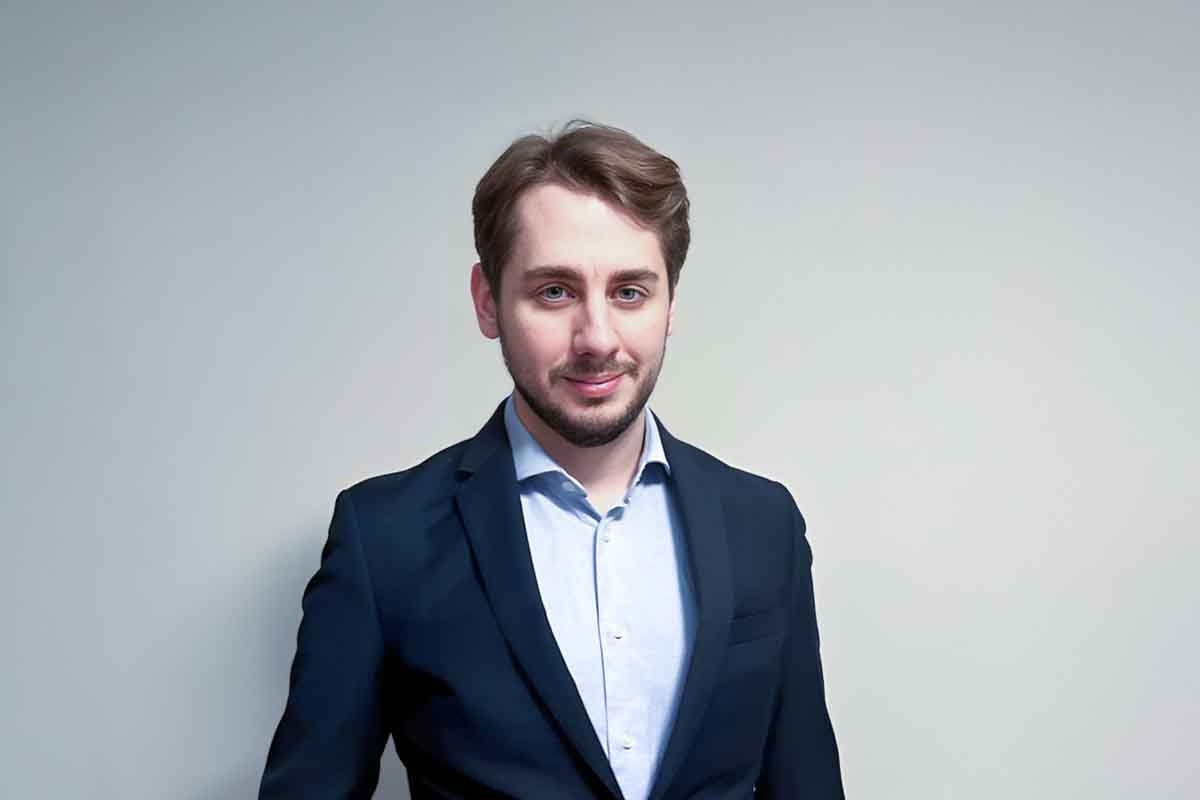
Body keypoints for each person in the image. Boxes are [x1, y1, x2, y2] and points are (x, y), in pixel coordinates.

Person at [260, 120, 844, 799]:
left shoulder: (764, 524)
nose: (597, 339)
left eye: (629, 292)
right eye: (555, 292)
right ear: (488, 302)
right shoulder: (385, 536)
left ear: (670, 305)